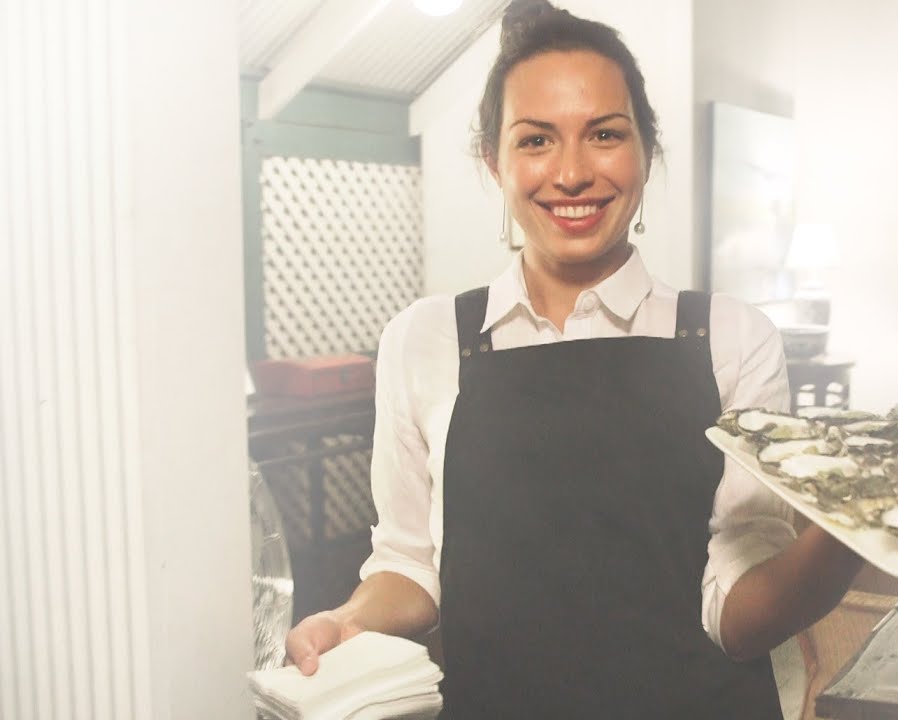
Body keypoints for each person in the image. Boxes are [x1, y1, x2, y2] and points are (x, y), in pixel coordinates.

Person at [284, 2, 863, 717]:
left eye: (604, 135)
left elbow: (740, 613)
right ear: (494, 162)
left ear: (645, 151)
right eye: (536, 141)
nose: (571, 172)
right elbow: (410, 564)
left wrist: (850, 536)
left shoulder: (732, 338)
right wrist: (350, 620)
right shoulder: (423, 340)